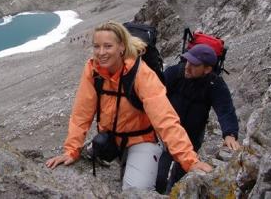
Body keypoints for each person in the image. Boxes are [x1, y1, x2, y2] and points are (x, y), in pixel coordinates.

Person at [46, 21, 212, 191]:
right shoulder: (92, 70)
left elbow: (165, 119)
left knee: (135, 191)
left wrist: (190, 161)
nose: (101, 52)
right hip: (111, 138)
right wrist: (71, 150)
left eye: (108, 46)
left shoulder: (141, 73)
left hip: (142, 140)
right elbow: (82, 112)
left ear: (121, 47)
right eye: (97, 46)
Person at [156, 44, 240, 194]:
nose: (187, 67)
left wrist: (230, 134)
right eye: (187, 61)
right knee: (160, 174)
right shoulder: (175, 72)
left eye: (194, 65)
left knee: (180, 175)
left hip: (192, 136)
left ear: (207, 69)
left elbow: (225, 109)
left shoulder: (214, 84)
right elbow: (153, 94)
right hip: (166, 132)